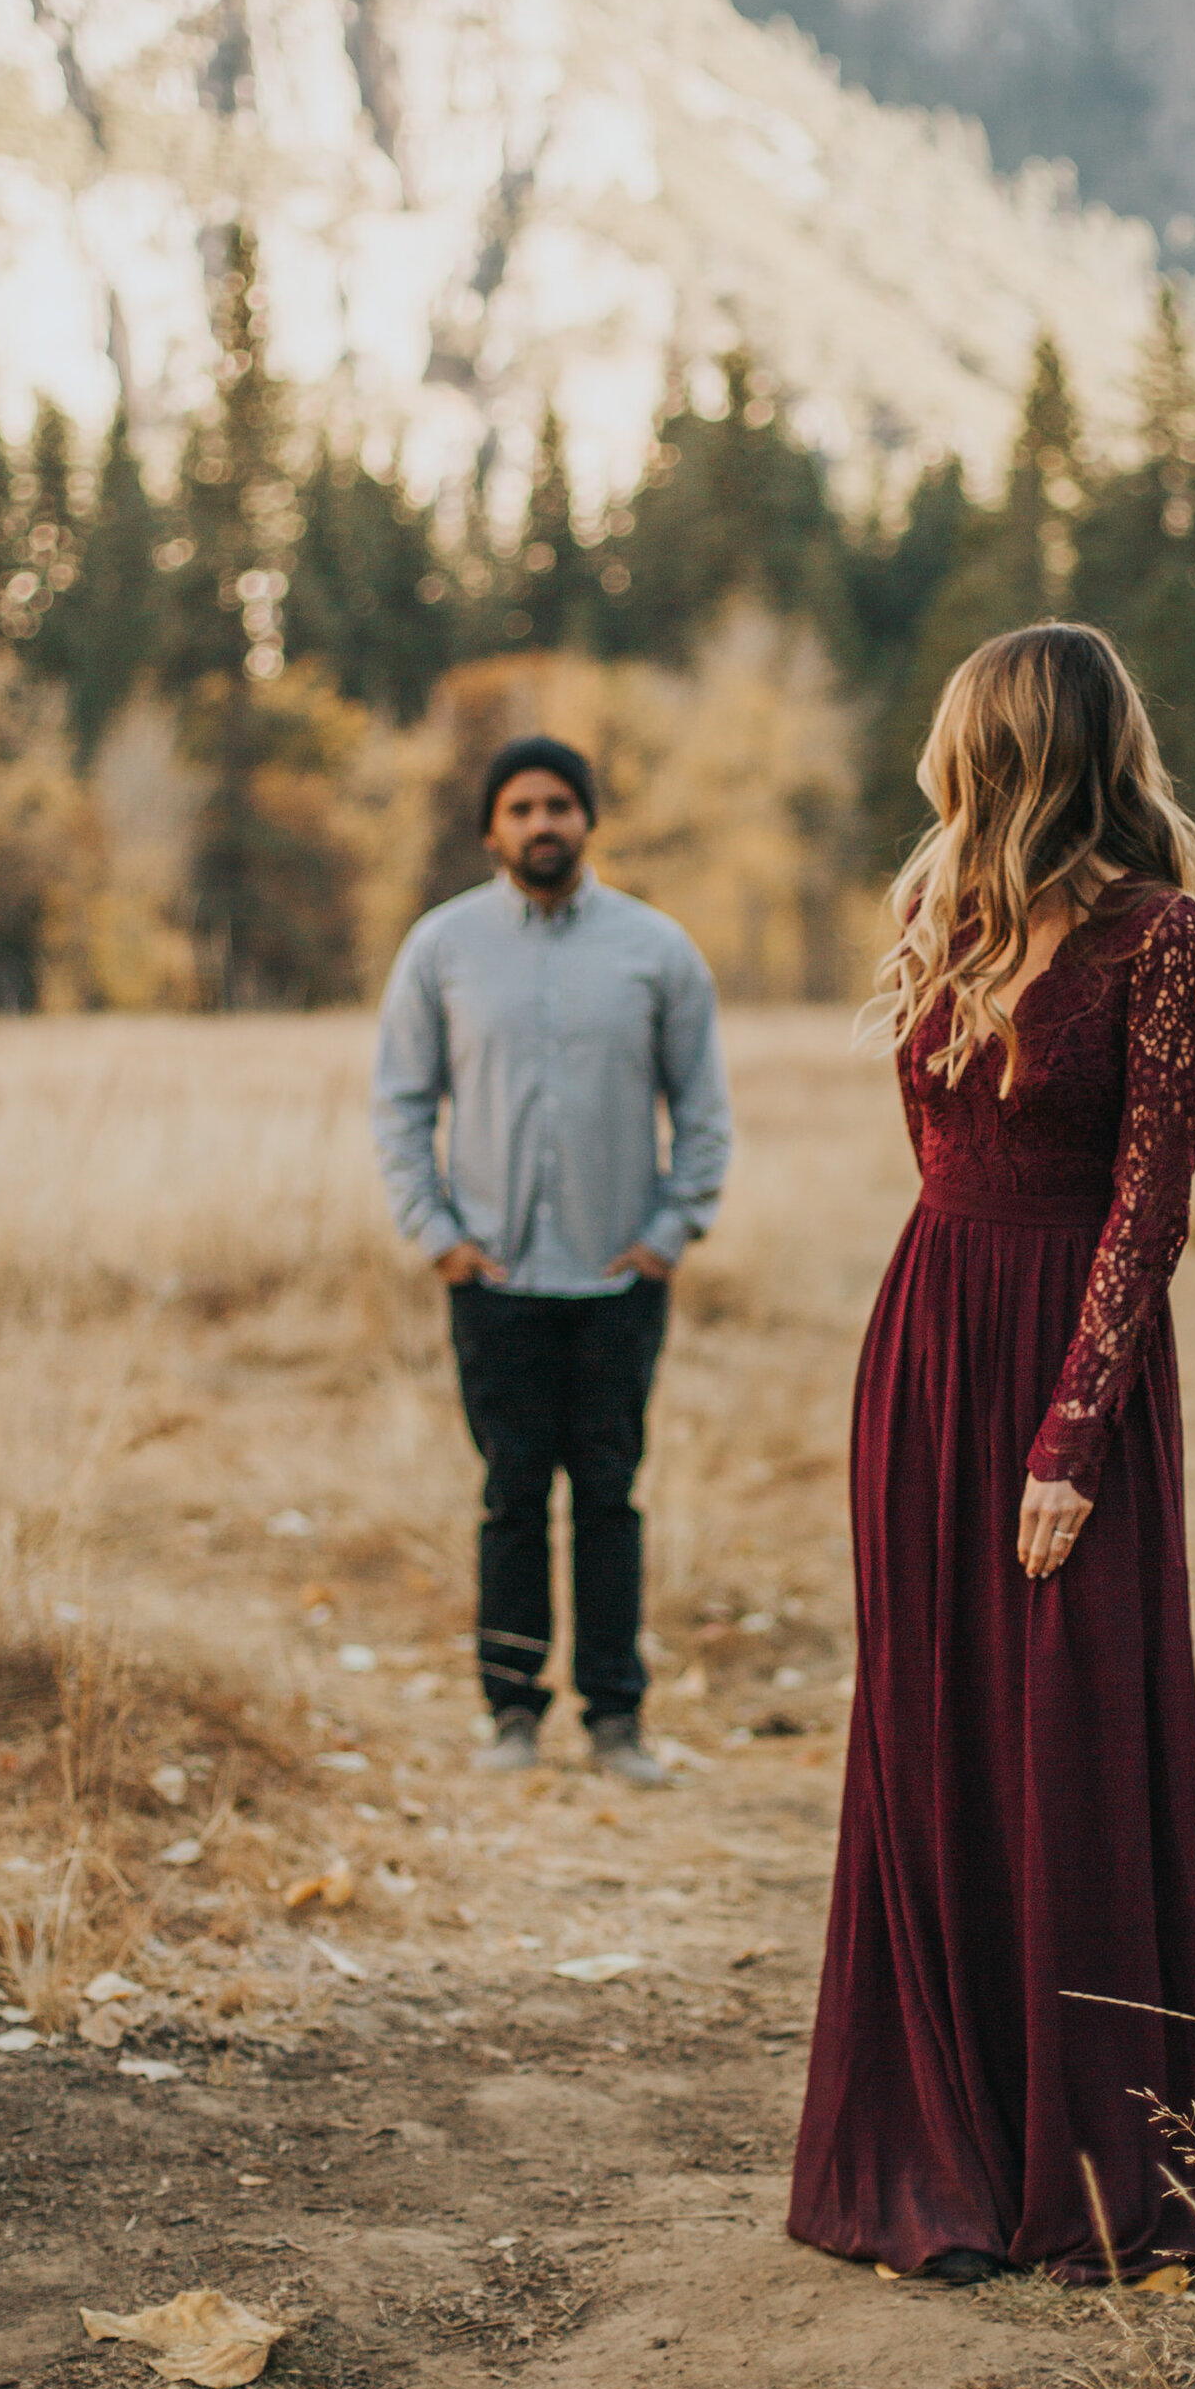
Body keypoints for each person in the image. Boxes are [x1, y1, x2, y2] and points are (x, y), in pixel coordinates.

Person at [788, 622, 1195, 2286]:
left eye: (962, 739)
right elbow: (941, 1159)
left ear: (1014, 747)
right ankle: (935, 2150)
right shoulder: (939, 915)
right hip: (930, 1342)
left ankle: (1089, 2170)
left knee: (1070, 1739)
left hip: (1074, 1367)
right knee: (931, 1738)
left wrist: (1074, 1433)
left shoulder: (1166, 940)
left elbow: (1150, 1210)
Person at [372, 734, 731, 1784]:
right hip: (495, 1283)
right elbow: (398, 1105)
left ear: (588, 822)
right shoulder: (440, 949)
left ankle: (616, 1721)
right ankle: (512, 1714)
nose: (541, 824)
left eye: (559, 806)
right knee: (512, 1496)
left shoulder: (656, 951)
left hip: (618, 1283)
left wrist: (668, 1239)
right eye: (521, 808)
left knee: (610, 1498)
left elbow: (703, 1110)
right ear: (492, 829)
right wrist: (438, 1238)